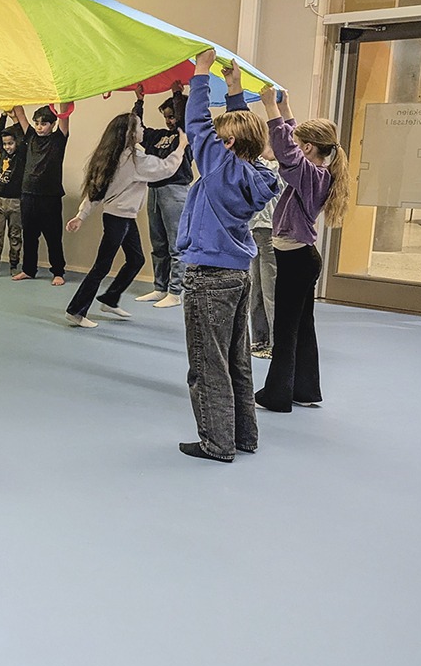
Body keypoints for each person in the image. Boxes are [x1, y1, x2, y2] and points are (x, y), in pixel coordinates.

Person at [175, 52, 279, 462]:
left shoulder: (220, 169)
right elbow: (240, 134)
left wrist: (200, 74)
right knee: (236, 360)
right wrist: (234, 91)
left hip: (209, 277)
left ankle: (216, 443)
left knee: (206, 364)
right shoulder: (255, 174)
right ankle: (243, 436)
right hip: (237, 275)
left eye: (221, 138)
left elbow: (196, 124)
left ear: (228, 143)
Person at [254, 85, 349, 413]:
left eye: (300, 145)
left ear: (309, 148)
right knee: (302, 326)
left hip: (296, 259)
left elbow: (286, 149)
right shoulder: (317, 171)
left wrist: (271, 109)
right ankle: (304, 388)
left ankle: (277, 395)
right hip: (301, 258)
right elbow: (293, 142)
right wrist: (287, 105)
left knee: (285, 328)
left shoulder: (312, 175)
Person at [64, 111, 188, 327]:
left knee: (136, 259)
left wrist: (80, 216)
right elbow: (166, 168)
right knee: (102, 267)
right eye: (139, 126)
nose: (143, 130)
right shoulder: (134, 159)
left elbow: (95, 192)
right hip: (118, 219)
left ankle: (110, 298)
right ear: (130, 133)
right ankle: (76, 311)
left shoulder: (115, 156)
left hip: (123, 217)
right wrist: (181, 146)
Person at [132, 82, 191, 309]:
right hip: (155, 190)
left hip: (176, 190)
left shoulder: (187, 135)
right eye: (166, 117)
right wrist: (139, 101)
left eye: (172, 116)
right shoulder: (157, 136)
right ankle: (160, 287)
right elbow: (135, 128)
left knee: (176, 244)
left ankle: (175, 291)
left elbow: (185, 119)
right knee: (158, 242)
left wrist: (177, 94)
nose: (169, 120)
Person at [13, 103, 73, 285]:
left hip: (50, 196)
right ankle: (28, 270)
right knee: (29, 235)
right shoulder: (30, 136)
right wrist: (13, 93)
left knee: (53, 236)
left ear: (53, 124)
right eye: (37, 123)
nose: (39, 127)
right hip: (28, 194)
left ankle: (58, 272)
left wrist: (64, 97)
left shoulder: (58, 139)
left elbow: (65, 116)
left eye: (44, 123)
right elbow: (20, 113)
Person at [0, 112, 26, 279]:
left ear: (16, 143)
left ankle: (14, 265)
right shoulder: (2, 152)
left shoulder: (22, 154)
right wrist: (3, 116)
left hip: (15, 201)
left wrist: (15, 119)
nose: (8, 147)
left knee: (15, 235)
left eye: (11, 143)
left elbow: (22, 135)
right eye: (5, 144)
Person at [249, 147, 281, 359]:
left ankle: (275, 342)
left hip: (270, 232)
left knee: (271, 292)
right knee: (256, 289)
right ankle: (259, 339)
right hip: (253, 231)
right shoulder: (254, 163)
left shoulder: (281, 168)